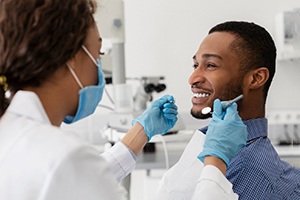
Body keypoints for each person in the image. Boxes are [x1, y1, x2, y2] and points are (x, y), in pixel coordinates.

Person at [0, 0, 247, 200]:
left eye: (210, 65)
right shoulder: (65, 158)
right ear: (72, 57)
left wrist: (140, 132)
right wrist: (216, 162)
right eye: (99, 53)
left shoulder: (15, 135)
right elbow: (74, 176)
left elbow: (77, 182)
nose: (194, 77)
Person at [155, 21, 300, 199]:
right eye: (195, 65)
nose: (193, 78)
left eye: (210, 65)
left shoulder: (255, 174)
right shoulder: (212, 147)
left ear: (256, 78)